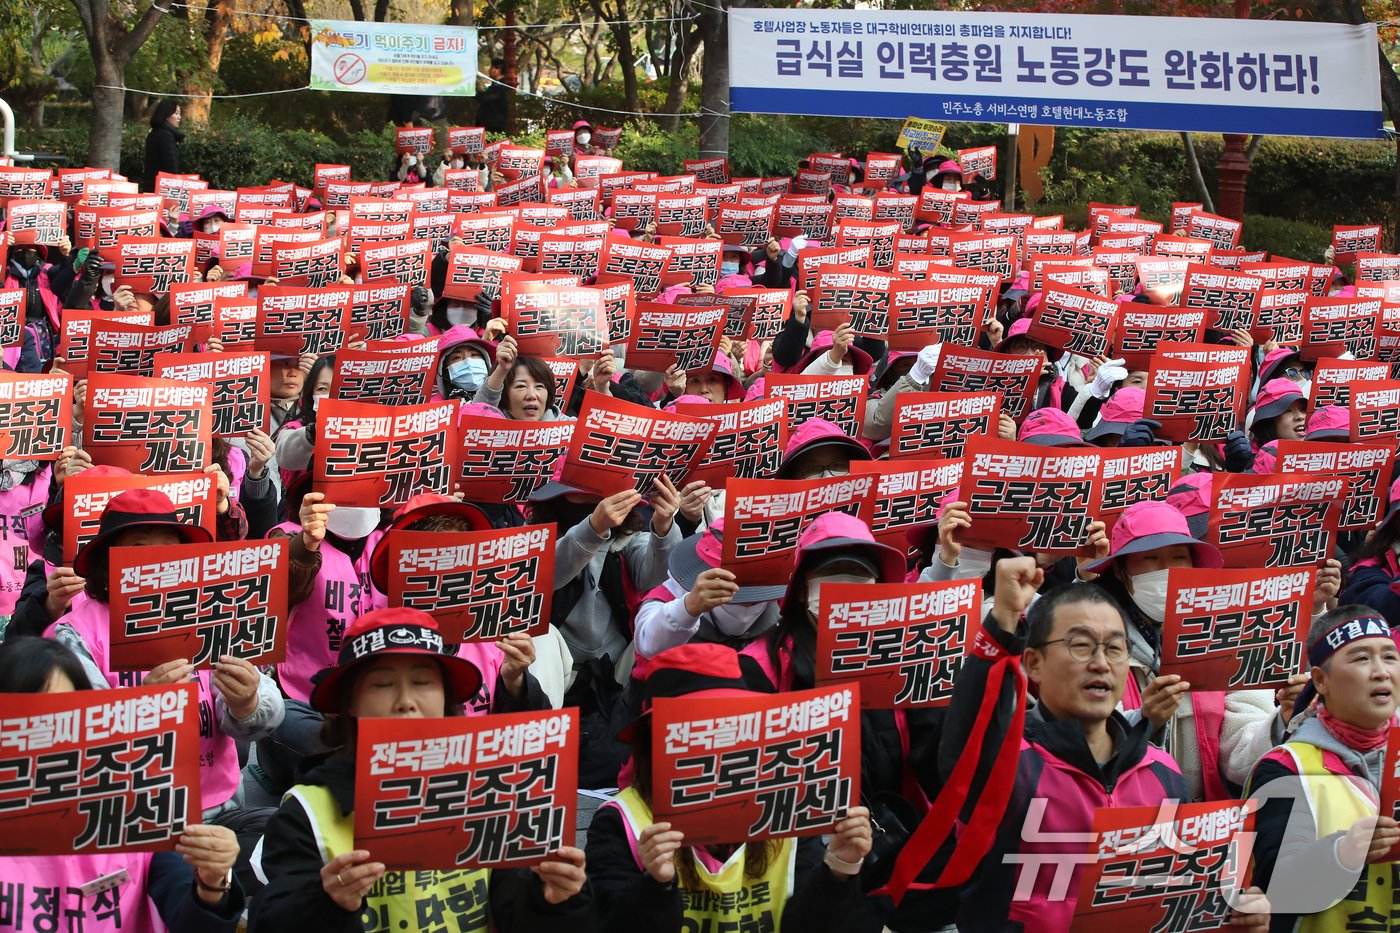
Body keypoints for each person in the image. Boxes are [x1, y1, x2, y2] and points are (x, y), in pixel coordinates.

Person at [928, 558, 1269, 930]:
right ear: (1034, 664)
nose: (1101, 663)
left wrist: (1234, 917)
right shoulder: (1006, 764)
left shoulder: (1163, 772)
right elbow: (970, 732)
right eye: (1080, 645)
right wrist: (1002, 624)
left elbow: (1179, 904)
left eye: (1115, 648)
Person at [249, 607, 597, 932]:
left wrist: (554, 899)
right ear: (350, 702)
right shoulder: (307, 810)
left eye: (423, 683)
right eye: (383, 685)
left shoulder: (491, 788)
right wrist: (327, 902)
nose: (406, 701)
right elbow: (270, 918)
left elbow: (515, 909)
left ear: (447, 697)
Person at [586, 643, 874, 930]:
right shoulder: (621, 821)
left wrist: (839, 869)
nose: (719, 743)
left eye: (732, 725)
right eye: (697, 729)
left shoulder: (785, 809)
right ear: (653, 741)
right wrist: (657, 886)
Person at [0, 636, 248, 933]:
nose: (48, 736)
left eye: (63, 715)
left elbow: (188, 916)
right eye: (25, 721)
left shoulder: (133, 801)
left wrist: (211, 884)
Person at [1247, 606, 1400, 930]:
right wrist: (1341, 853)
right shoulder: (1286, 769)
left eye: (1389, 656)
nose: (1381, 672)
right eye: (1361, 659)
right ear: (1321, 680)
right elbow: (1274, 890)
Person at [142, 100, 184, 192]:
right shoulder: (166, 136)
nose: (179, 117)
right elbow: (170, 167)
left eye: (179, 114)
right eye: (176, 113)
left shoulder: (154, 133)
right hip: (162, 189)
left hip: (151, 186)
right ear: (166, 115)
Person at [477, 57, 509, 133]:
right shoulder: (496, 85)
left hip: (493, 125)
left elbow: (487, 98)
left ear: (497, 70)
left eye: (491, 68)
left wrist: (474, 93)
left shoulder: (500, 86)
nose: (489, 71)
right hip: (490, 123)